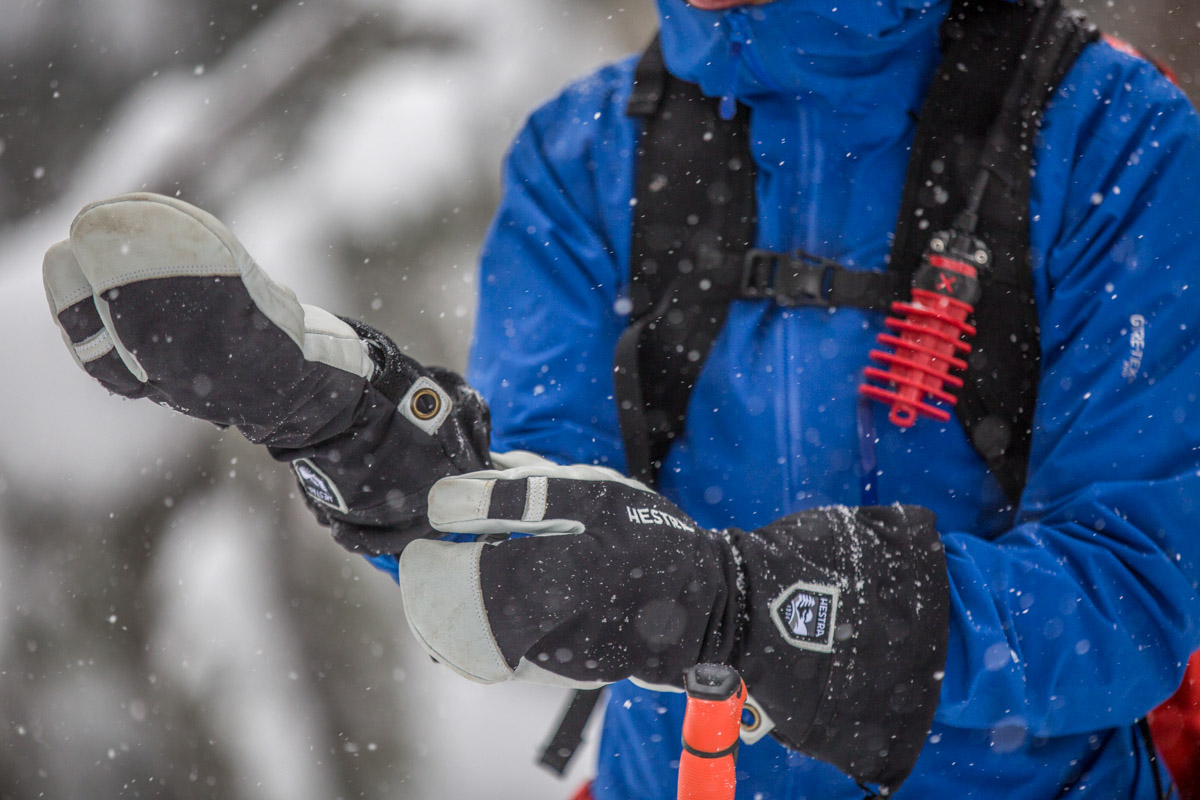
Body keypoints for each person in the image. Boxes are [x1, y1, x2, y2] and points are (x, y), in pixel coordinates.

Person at [42, 0, 1200, 797]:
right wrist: (359, 432)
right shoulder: (588, 155)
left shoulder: (1116, 138)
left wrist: (756, 603)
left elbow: (1131, 592)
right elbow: (544, 538)